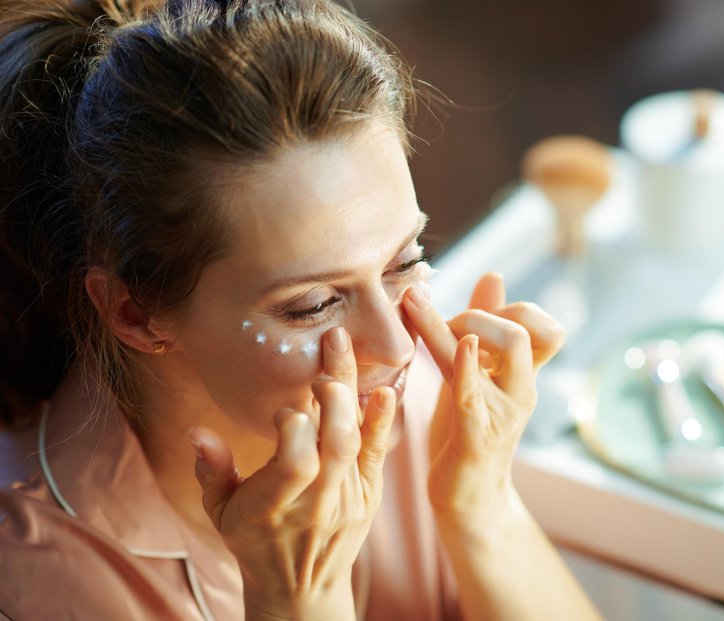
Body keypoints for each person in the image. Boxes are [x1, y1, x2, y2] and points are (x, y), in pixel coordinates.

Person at [0, 1, 604, 619]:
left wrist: (481, 501)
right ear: (135, 312)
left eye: (403, 262)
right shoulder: (35, 572)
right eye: (314, 305)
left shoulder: (408, 401)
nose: (399, 348)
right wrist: (297, 601)